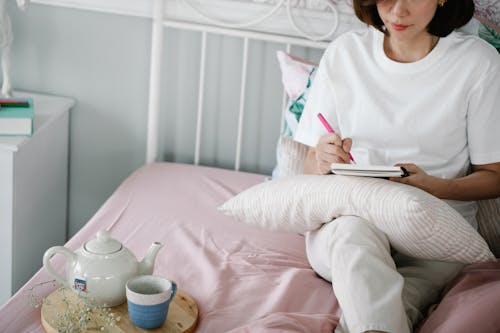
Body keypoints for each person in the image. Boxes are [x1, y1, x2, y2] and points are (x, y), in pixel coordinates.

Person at [294, 0, 500, 332]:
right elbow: (307, 166)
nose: (397, 12)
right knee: (352, 236)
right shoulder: (345, 53)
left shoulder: (478, 63)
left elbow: (495, 177)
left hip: (434, 235)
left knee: (387, 309)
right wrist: (321, 159)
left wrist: (435, 186)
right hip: (350, 223)